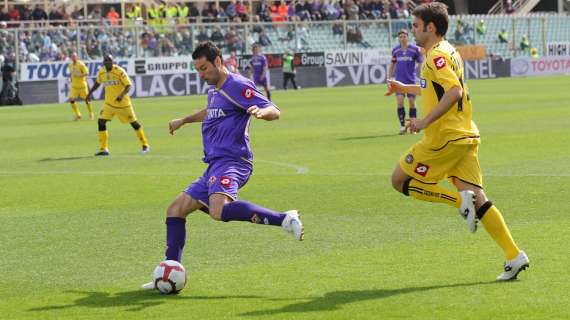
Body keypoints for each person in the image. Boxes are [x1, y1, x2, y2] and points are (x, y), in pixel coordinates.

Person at [141, 42, 303, 289]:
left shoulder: (237, 85)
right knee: (175, 209)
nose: (201, 74)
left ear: (218, 61)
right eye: (197, 69)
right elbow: (211, 111)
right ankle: (169, 270)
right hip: (214, 164)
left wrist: (262, 114)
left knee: (218, 210)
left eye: (204, 68)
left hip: (233, 160)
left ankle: (284, 218)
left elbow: (274, 109)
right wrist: (184, 120)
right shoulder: (215, 89)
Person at [385, 2, 529, 281]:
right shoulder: (448, 51)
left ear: (431, 27)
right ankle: (514, 255)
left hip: (445, 137)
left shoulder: (435, 55)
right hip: (465, 135)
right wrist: (406, 88)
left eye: (416, 26)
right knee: (480, 201)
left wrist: (424, 122)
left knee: (399, 181)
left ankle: (456, 201)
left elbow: (453, 90)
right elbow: (438, 89)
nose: (412, 31)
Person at [86, 55, 150, 156]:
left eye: (109, 60)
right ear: (103, 62)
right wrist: (89, 93)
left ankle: (145, 145)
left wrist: (121, 95)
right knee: (101, 122)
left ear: (113, 61)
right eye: (106, 61)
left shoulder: (119, 71)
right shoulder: (101, 72)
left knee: (134, 124)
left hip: (123, 104)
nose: (108, 62)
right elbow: (98, 83)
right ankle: (104, 149)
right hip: (109, 104)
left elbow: (128, 85)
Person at [388, 29, 422, 135]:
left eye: (404, 36)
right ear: (398, 38)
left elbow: (420, 62)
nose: (402, 38)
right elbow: (393, 64)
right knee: (400, 102)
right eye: (400, 37)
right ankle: (402, 126)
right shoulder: (395, 50)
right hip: (399, 80)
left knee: (412, 103)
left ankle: (413, 126)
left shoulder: (415, 50)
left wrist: (421, 76)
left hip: (411, 80)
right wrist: (389, 78)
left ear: (408, 37)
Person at [68, 53, 94, 120]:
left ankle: (91, 114)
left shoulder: (81, 64)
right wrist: (70, 79)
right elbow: (72, 74)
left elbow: (87, 73)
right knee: (71, 99)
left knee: (87, 100)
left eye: (74, 57)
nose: (73, 58)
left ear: (77, 57)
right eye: (72, 57)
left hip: (82, 85)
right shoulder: (70, 65)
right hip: (74, 86)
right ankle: (78, 115)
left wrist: (79, 75)